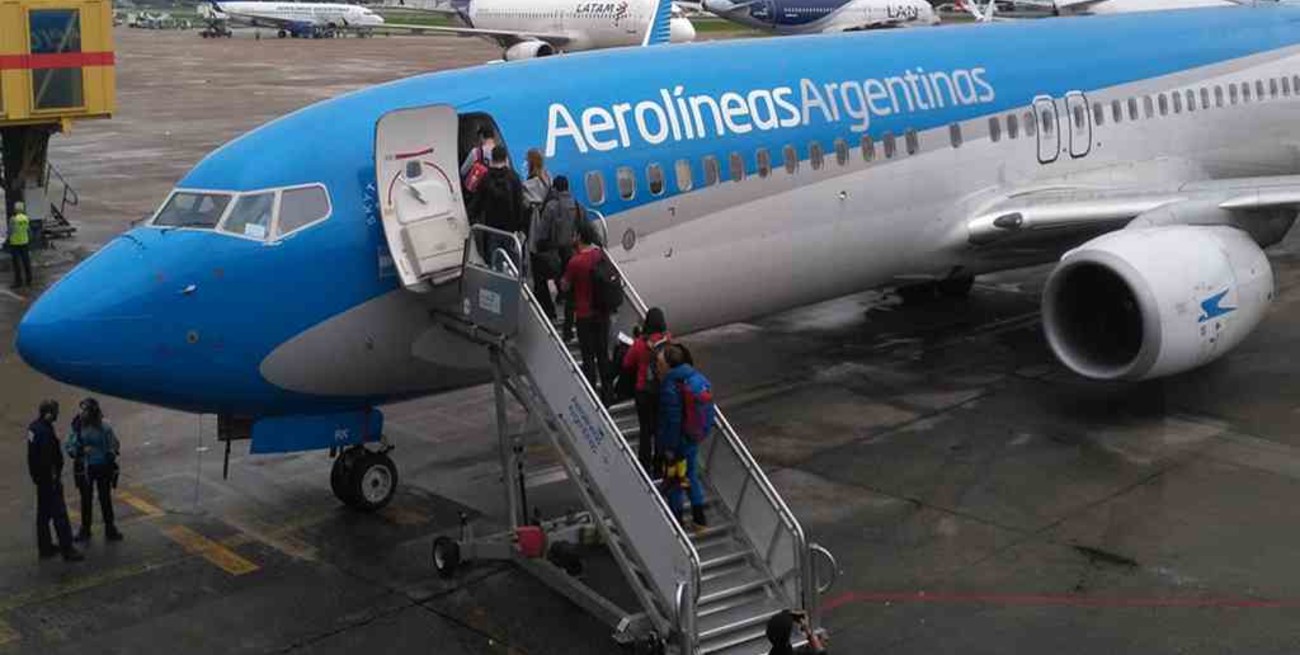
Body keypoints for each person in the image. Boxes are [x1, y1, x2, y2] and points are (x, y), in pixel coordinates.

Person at [657, 343, 714, 529]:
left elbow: (672, 422)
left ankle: (677, 521)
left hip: (677, 443)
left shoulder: (670, 386)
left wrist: (669, 449)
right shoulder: (698, 379)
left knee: (674, 481)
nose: (658, 366)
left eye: (660, 362)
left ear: (669, 365)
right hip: (693, 437)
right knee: (691, 475)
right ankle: (700, 519)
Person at [27, 400, 83, 562]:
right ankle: (68, 549)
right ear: (49, 413)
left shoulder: (34, 427)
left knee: (43, 515)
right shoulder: (44, 432)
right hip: (49, 480)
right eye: (56, 412)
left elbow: (32, 456)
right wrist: (54, 477)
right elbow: (47, 458)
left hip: (40, 480)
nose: (58, 414)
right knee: (60, 515)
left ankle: (45, 547)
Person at [561, 220, 612, 397]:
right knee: (603, 355)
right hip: (603, 314)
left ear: (580, 237)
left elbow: (565, 286)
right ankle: (608, 392)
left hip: (585, 316)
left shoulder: (575, 262)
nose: (572, 237)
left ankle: (592, 395)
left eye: (574, 234)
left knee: (588, 358)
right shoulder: (601, 255)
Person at [622, 307, 672, 475]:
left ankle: (644, 465)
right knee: (659, 428)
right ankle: (659, 466)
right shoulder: (668, 341)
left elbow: (627, 363)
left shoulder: (640, 345)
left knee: (645, 430)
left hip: (643, 391)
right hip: (661, 391)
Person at [66, 398, 123, 542]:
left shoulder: (105, 427)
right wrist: (79, 450)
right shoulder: (77, 427)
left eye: (84, 410)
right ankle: (85, 529)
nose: (81, 413)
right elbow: (69, 446)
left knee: (105, 498)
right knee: (86, 499)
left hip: (102, 467)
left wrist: (110, 453)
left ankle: (110, 528)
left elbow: (114, 445)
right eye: (81, 409)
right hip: (85, 468)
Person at [467, 145, 526, 268]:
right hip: (510, 230)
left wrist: (471, 219)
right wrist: (520, 227)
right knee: (511, 262)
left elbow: (477, 203)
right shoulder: (513, 178)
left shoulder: (486, 178)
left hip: (491, 228)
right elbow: (519, 204)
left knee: (494, 260)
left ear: (492, 158)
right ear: (505, 159)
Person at [541, 175, 582, 341]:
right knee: (572, 294)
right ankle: (569, 328)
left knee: (556, 279)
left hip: (555, 251)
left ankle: (558, 300)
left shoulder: (551, 206)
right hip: (571, 251)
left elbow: (543, 230)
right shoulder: (576, 205)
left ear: (555, 189)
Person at [523, 149, 557, 318]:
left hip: (537, 230)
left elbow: (524, 200)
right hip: (550, 231)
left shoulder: (532, 182)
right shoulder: (548, 177)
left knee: (538, 274)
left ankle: (547, 310)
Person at [7, 201, 32, 289]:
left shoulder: (13, 219)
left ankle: (18, 281)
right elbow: (28, 230)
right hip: (24, 242)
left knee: (17, 263)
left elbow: (10, 231)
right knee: (26, 261)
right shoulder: (26, 218)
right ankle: (29, 279)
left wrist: (7, 239)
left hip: (15, 243)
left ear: (15, 209)